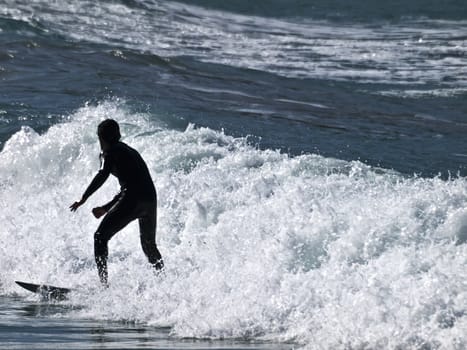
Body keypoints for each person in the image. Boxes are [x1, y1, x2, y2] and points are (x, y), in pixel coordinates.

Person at [70, 119, 163, 286]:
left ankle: (103, 286)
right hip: (149, 200)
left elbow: (103, 175)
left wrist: (83, 198)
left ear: (101, 138)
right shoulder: (129, 151)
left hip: (133, 199)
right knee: (149, 246)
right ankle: (164, 282)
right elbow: (131, 186)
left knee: (100, 237)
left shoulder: (111, 152)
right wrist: (106, 208)